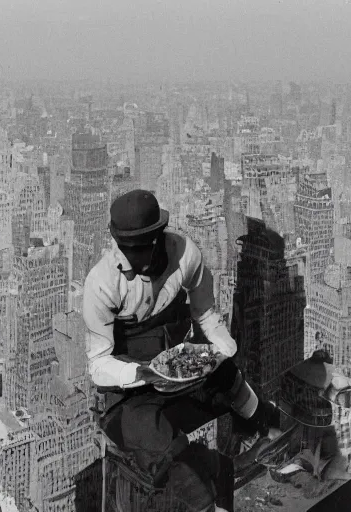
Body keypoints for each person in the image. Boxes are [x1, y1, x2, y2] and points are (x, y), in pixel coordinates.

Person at [83, 189, 282, 512]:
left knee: (227, 375)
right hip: (131, 394)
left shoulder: (185, 255)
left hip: (181, 373)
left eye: (140, 248)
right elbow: (97, 364)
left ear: (158, 237)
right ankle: (206, 504)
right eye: (125, 249)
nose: (131, 258)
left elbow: (205, 312)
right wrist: (139, 373)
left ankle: (267, 428)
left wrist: (221, 348)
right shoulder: (101, 283)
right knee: (150, 432)